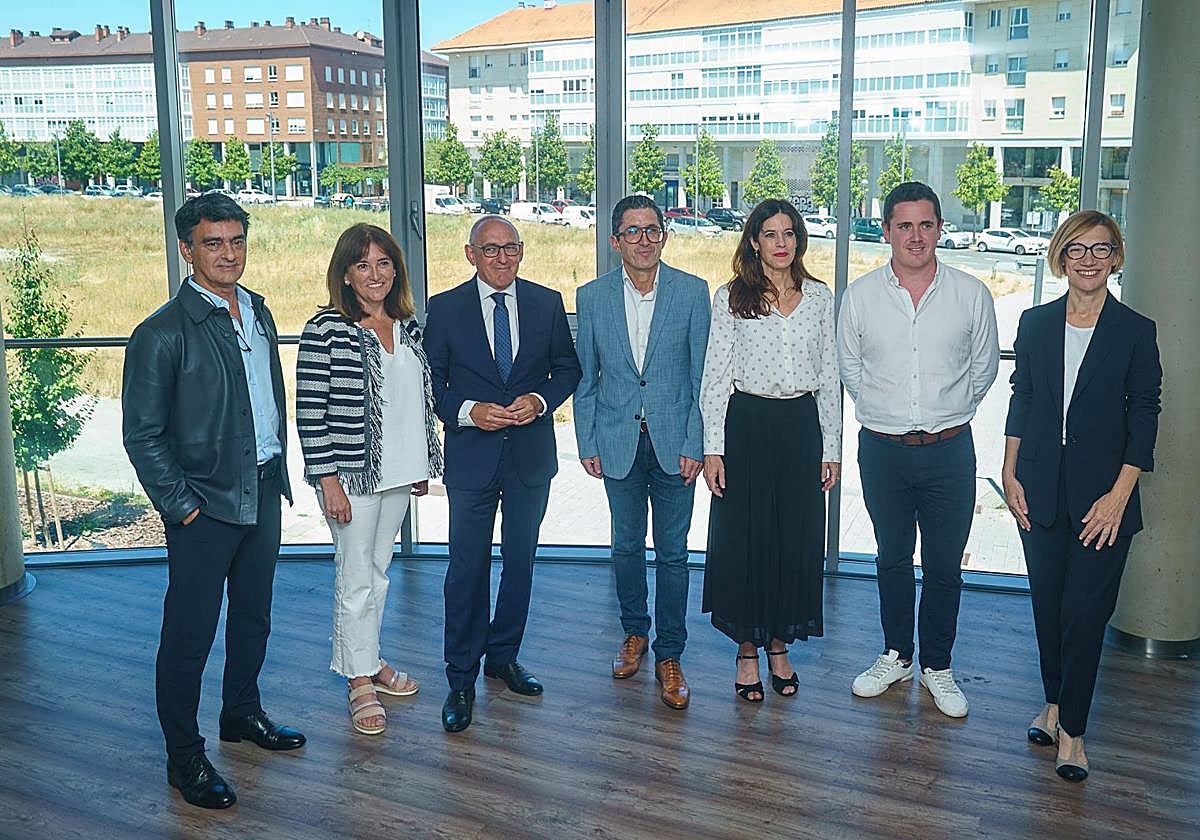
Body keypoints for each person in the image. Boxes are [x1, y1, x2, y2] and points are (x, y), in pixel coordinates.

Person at [122, 194, 304, 810]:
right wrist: (184, 506)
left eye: (236, 241)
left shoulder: (257, 311)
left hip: (261, 491)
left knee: (254, 617)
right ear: (186, 249)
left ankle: (241, 715)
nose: (228, 254)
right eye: (213, 243)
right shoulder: (162, 333)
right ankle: (184, 757)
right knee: (189, 636)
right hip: (203, 507)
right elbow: (142, 435)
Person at [1003, 210, 1161, 782]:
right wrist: (1010, 470)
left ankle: (1073, 732)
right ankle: (1052, 703)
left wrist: (1121, 495)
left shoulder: (1135, 330)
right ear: (1060, 256)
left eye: (1100, 249)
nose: (1088, 259)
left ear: (1116, 257)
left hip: (1104, 497)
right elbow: (1021, 398)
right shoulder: (1036, 323)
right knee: (1047, 606)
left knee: (1084, 613)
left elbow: (1145, 418)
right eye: (1076, 248)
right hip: (1040, 488)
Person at [838, 182, 999, 718]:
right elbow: (851, 371)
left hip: (950, 452)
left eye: (925, 224)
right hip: (882, 451)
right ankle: (897, 655)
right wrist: (891, 415)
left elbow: (984, 370)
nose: (915, 236)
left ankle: (938, 665)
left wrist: (943, 412)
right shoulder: (860, 297)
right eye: (903, 225)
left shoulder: (971, 294)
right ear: (886, 231)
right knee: (891, 558)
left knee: (945, 564)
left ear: (939, 228)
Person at [423, 214, 582, 732]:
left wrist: (539, 400)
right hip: (472, 459)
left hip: (529, 459)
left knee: (520, 565)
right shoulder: (444, 309)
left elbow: (569, 369)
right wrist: (470, 411)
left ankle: (503, 657)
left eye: (510, 248)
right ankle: (461, 679)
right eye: (490, 250)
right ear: (471, 254)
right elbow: (434, 385)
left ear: (521, 251)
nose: (501, 259)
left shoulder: (546, 302)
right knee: (466, 570)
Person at [296, 223, 444, 737]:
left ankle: (369, 657)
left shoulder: (408, 326)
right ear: (345, 274)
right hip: (352, 476)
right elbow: (311, 413)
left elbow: (414, 404)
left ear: (396, 269)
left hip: (399, 473)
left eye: (383, 263)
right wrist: (328, 480)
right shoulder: (326, 330)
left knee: (378, 572)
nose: (375, 274)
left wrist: (422, 461)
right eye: (363, 265)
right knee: (355, 574)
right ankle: (359, 678)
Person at [700, 198, 841, 703]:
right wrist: (713, 450)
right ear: (754, 241)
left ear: (798, 240)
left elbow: (829, 377)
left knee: (793, 541)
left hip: (801, 430)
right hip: (748, 428)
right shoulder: (730, 298)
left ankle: (779, 646)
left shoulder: (821, 298)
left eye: (789, 233)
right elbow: (715, 376)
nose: (781, 243)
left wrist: (832, 448)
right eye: (771, 234)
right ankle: (746, 650)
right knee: (745, 540)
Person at [574, 195, 711, 710]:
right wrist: (588, 441)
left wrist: (698, 443)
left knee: (674, 555)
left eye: (652, 230)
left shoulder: (693, 293)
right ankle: (634, 633)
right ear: (615, 242)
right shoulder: (592, 297)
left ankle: (669, 654)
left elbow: (704, 380)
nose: (644, 240)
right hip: (617, 442)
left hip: (677, 446)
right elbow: (588, 378)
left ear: (664, 235)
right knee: (626, 548)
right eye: (632, 232)